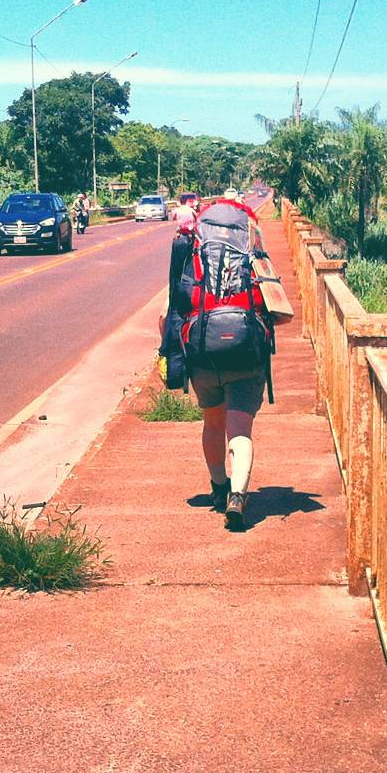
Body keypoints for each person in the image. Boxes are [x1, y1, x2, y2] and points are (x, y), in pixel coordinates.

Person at [160, 197, 269, 531]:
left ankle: (219, 488)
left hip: (202, 350)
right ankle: (238, 495)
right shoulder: (252, 245)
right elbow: (273, 303)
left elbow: (176, 303)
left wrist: (170, 351)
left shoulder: (191, 246)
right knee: (240, 428)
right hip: (246, 352)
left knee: (212, 423)